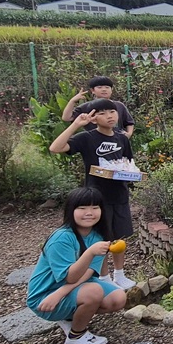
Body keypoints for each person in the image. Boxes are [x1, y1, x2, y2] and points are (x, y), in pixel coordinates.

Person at [50, 98, 137, 289]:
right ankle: (104, 277)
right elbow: (55, 148)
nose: (109, 116)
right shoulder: (87, 138)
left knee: (120, 238)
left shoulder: (122, 138)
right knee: (101, 238)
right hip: (97, 198)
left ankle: (120, 274)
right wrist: (76, 124)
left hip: (120, 195)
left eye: (112, 112)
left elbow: (127, 163)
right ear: (93, 118)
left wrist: (133, 174)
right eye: (102, 113)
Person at [26, 187, 126, 344]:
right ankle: (75, 337)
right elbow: (70, 277)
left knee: (118, 298)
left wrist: (62, 293)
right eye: (82, 208)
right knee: (94, 292)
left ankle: (69, 317)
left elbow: (88, 273)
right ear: (71, 210)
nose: (89, 213)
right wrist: (90, 252)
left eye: (95, 207)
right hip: (45, 296)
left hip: (65, 290)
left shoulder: (97, 236)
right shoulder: (62, 238)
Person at [62, 76, 136, 139]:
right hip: (94, 142)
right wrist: (72, 101)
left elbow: (129, 122)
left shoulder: (119, 105)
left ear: (111, 90)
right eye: (99, 87)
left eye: (107, 87)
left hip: (117, 140)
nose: (104, 89)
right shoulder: (87, 106)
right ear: (92, 90)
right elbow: (67, 118)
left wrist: (129, 134)